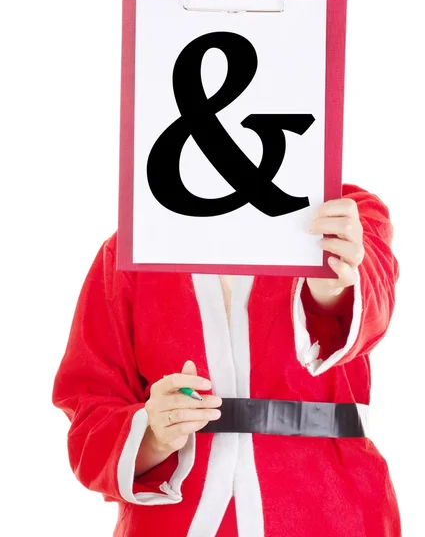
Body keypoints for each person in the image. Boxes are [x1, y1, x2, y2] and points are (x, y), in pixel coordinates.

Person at [52, 182, 401, 537]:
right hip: (171, 521)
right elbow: (89, 411)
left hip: (332, 514)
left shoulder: (345, 213)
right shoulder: (136, 243)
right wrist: (154, 434)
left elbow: (373, 306)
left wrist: (335, 286)